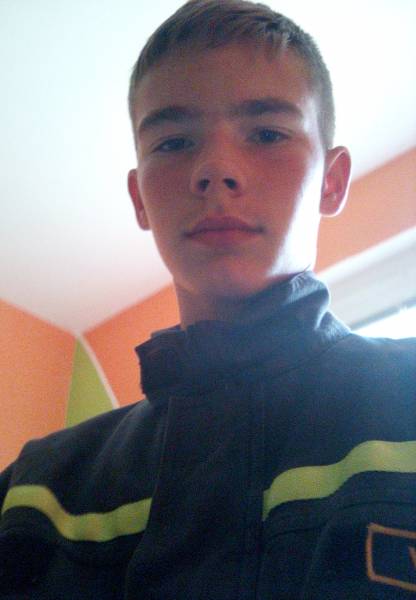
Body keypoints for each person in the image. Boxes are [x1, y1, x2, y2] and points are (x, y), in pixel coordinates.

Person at [0, 1, 415, 598]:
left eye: (267, 133)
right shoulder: (32, 494)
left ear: (332, 181)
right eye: (173, 142)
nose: (215, 169)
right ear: (140, 198)